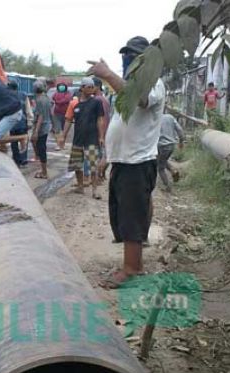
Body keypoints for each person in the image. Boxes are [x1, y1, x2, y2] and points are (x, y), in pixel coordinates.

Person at [88, 35, 166, 289]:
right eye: (125, 56)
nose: (127, 61)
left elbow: (141, 101)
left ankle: (133, 270)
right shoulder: (124, 90)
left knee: (131, 216)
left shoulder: (153, 84)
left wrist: (108, 75)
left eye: (132, 56)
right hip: (124, 161)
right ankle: (134, 256)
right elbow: (119, 124)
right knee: (126, 212)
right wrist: (106, 158)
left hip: (137, 162)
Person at [62, 78, 105, 198]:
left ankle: (95, 190)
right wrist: (63, 136)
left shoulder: (96, 102)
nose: (91, 89)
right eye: (88, 86)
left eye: (92, 87)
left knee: (93, 165)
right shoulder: (74, 104)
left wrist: (101, 136)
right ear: (82, 88)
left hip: (92, 139)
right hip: (78, 139)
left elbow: (100, 119)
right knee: (77, 164)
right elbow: (68, 120)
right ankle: (80, 187)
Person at [6, 79, 33, 167]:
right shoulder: (24, 95)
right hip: (22, 122)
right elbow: (28, 110)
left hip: (11, 123)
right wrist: (29, 122)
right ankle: (23, 160)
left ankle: (17, 161)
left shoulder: (7, 96)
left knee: (14, 142)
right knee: (23, 141)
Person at [157, 112, 184, 192]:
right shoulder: (170, 117)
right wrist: (181, 141)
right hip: (171, 145)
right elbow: (179, 129)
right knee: (163, 160)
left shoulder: (156, 118)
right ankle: (173, 171)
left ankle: (167, 186)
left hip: (161, 146)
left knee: (160, 168)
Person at [31, 82, 52, 179]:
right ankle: (42, 168)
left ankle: (44, 172)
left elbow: (40, 116)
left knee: (41, 148)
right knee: (38, 145)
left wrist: (36, 131)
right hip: (46, 125)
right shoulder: (46, 98)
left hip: (42, 127)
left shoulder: (39, 100)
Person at [52, 82, 72, 150]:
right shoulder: (56, 93)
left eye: (63, 86)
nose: (61, 87)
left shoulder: (68, 93)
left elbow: (66, 100)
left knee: (64, 130)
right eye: (60, 86)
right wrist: (58, 101)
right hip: (57, 113)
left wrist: (58, 102)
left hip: (66, 114)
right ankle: (58, 144)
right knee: (57, 130)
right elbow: (53, 98)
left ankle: (62, 144)